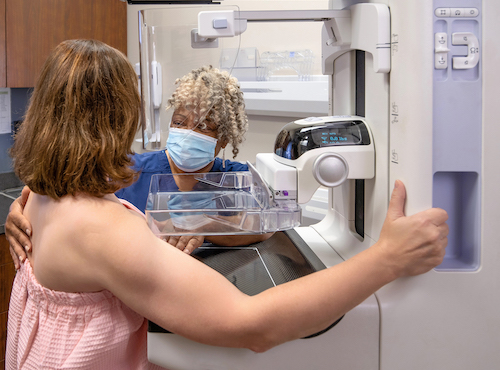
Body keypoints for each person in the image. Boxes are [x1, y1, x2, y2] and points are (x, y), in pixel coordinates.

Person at [7, 39, 448, 369]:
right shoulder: (105, 227)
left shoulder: (43, 197)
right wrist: (387, 259)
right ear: (120, 119)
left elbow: (265, 218)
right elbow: (252, 325)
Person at [6, 65, 273, 259]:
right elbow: (62, 193)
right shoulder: (127, 171)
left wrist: (203, 222)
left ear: (224, 139)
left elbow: (267, 226)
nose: (188, 133)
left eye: (203, 126)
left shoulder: (236, 179)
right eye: (179, 123)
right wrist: (21, 206)